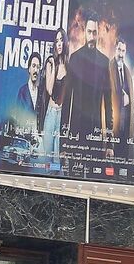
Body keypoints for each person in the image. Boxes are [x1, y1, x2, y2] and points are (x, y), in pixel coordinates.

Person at [64, 10, 114, 150]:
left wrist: (110, 143)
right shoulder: (74, 58)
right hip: (75, 132)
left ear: (98, 33)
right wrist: (63, 140)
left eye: (94, 33)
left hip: (95, 133)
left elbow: (108, 102)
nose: (92, 37)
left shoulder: (104, 62)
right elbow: (67, 100)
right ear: (85, 32)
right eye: (89, 32)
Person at [41, 29, 68, 158]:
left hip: (62, 114)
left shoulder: (68, 64)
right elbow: (50, 90)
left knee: (57, 157)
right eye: (56, 41)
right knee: (47, 154)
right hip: (51, 112)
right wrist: (53, 68)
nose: (59, 44)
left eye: (61, 40)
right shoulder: (50, 62)